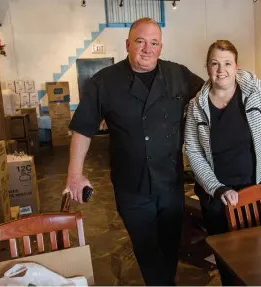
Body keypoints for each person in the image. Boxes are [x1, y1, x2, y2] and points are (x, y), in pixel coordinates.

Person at [66, 17, 204, 285]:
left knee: (170, 245)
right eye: (140, 41)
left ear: (161, 48)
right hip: (132, 185)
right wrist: (74, 174)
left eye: (154, 43)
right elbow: (83, 128)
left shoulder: (179, 75)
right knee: (146, 247)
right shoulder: (105, 81)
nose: (147, 48)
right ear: (128, 44)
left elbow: (212, 97)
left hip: (170, 182)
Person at [184, 40, 261, 285]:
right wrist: (217, 188)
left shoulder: (256, 91)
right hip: (218, 197)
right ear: (207, 67)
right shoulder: (196, 106)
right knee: (227, 261)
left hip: (254, 191)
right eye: (215, 63)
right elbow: (194, 153)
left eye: (227, 63)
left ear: (236, 65)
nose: (222, 70)